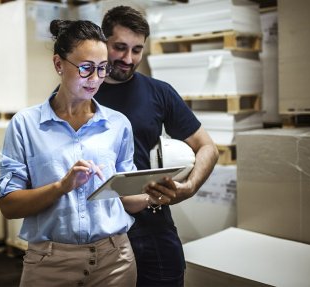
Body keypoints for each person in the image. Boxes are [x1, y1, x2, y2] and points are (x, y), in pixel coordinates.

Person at [0, 20, 138, 286]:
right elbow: (9, 205)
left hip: (115, 261)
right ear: (59, 64)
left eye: (102, 68)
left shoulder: (118, 124)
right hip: (50, 263)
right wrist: (62, 186)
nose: (95, 79)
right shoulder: (25, 125)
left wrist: (155, 193)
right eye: (86, 68)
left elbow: (124, 197)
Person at [94, 6, 220, 286]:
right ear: (103, 43)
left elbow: (207, 147)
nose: (128, 59)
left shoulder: (158, 92)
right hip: (95, 230)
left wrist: (188, 188)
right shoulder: (78, 92)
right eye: (120, 47)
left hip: (151, 226)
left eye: (137, 50)